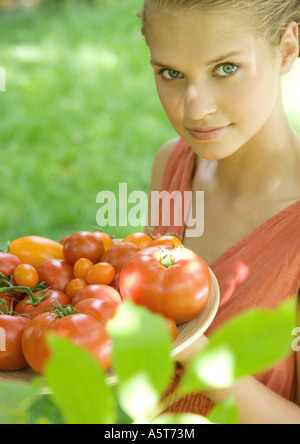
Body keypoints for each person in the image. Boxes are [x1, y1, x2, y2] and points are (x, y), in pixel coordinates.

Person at [139, 0, 300, 424]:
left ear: (286, 50)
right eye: (171, 74)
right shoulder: (171, 164)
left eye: (225, 68)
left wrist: (191, 348)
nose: (194, 110)